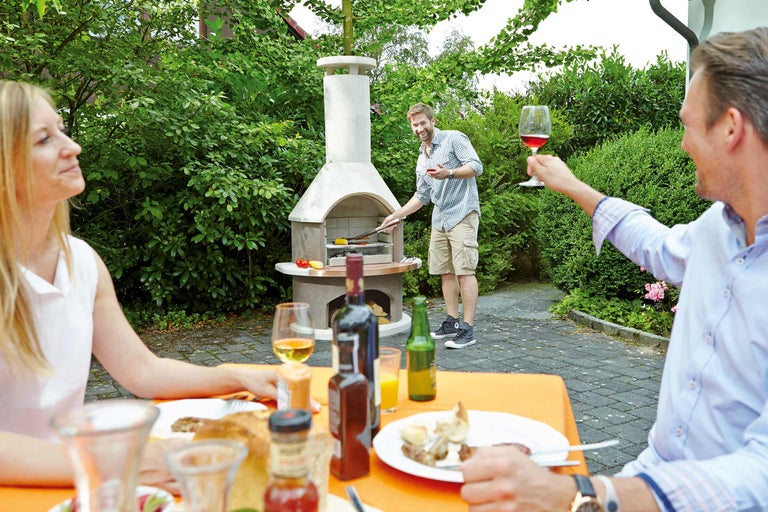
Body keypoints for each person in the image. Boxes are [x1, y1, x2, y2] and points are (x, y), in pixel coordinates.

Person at [460, 27, 768, 511]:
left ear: (731, 128)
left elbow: (760, 474)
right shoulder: (719, 227)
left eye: (688, 124)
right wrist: (575, 187)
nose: (684, 143)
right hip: (648, 474)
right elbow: (660, 247)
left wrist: (589, 494)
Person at [0, 80, 308, 492]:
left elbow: (142, 371)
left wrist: (235, 375)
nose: (71, 146)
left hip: (74, 486)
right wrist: (114, 463)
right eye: (43, 139)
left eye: (61, 129)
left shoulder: (81, 262)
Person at [379, 103, 483, 349]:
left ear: (432, 120)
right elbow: (422, 196)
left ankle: (468, 330)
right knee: (445, 272)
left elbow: (476, 166)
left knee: (465, 271)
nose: (419, 128)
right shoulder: (421, 157)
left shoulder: (453, 139)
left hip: (462, 213)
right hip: (440, 218)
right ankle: (452, 322)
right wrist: (395, 215)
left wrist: (449, 173)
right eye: (415, 125)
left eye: (422, 123)